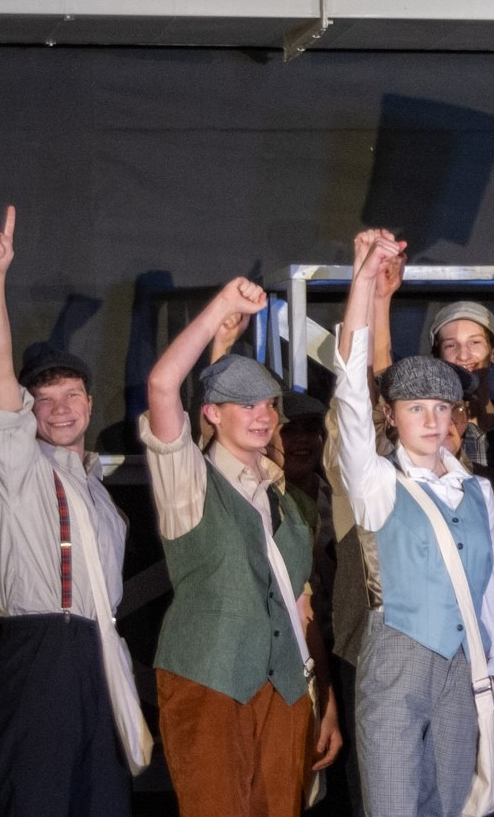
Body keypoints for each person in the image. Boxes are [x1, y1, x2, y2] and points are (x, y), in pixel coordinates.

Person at [0, 208, 163, 817]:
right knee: (37, 800)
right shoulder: (14, 462)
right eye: (41, 398)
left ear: (88, 400)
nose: (58, 408)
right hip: (39, 650)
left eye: (70, 393)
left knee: (102, 798)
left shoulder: (97, 487)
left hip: (96, 652)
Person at [331, 229, 494, 815]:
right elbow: (348, 385)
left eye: (440, 407)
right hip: (394, 668)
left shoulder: (476, 491)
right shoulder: (376, 482)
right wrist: (365, 279)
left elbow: (492, 603)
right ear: (391, 417)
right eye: (415, 407)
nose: (429, 418)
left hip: (462, 675)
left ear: (455, 415)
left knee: (455, 807)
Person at [142, 272, 338, 816]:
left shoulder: (286, 502)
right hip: (210, 679)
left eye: (268, 405)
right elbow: (163, 386)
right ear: (211, 413)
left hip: (286, 687)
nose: (262, 415)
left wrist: (326, 703)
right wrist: (221, 304)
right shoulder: (190, 483)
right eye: (244, 404)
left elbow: (301, 609)